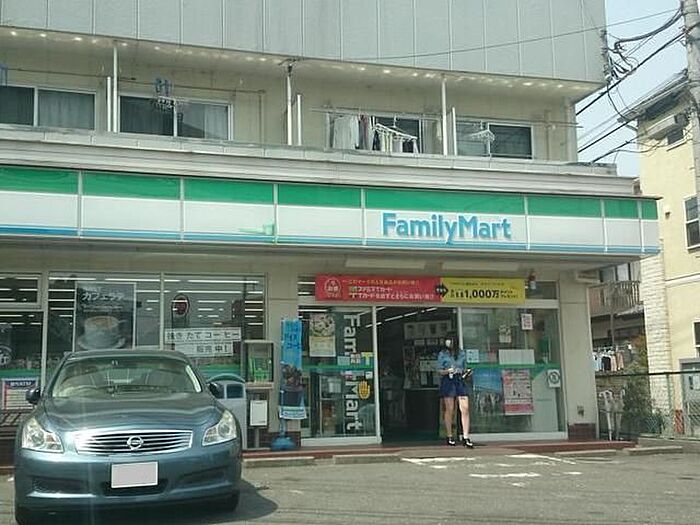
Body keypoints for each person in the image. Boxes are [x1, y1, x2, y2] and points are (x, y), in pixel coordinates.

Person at [437, 333, 474, 448]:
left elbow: (464, 367)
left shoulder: (461, 353)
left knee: (465, 408)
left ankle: (466, 436)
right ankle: (449, 435)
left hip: (459, 380)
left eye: (450, 340)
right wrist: (447, 371)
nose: (448, 342)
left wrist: (467, 372)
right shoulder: (443, 354)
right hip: (448, 380)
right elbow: (439, 370)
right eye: (447, 340)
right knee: (450, 409)